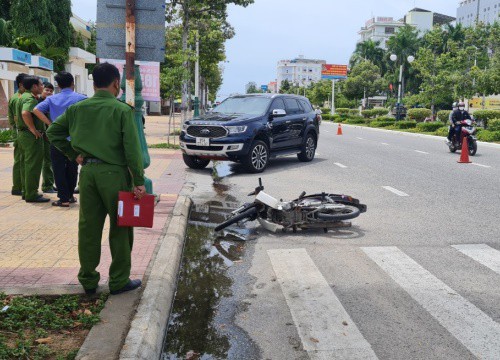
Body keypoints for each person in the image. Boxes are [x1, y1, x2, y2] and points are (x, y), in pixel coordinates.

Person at [47, 63, 146, 295]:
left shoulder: (78, 108)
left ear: (93, 84)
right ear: (115, 84)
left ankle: (89, 280)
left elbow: (53, 133)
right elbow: (132, 149)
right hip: (114, 175)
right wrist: (139, 180)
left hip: (88, 175)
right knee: (121, 228)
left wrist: (74, 154)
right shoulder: (122, 110)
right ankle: (119, 280)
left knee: (89, 228)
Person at [34, 73, 86, 207]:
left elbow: (36, 110)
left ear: (58, 85)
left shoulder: (51, 99)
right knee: (72, 167)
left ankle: (63, 199)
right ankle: (70, 196)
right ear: (72, 83)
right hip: (75, 139)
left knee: (58, 169)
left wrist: (50, 124)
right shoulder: (81, 98)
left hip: (56, 139)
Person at [16, 76, 52, 203]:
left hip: (23, 135)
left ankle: (27, 191)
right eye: (41, 85)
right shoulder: (30, 98)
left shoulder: (22, 96)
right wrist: (33, 129)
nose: (42, 87)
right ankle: (32, 194)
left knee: (26, 164)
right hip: (31, 136)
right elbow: (25, 113)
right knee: (33, 165)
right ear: (35, 86)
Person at [7, 73, 27, 196]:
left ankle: (19, 186)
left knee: (20, 160)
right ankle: (19, 187)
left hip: (17, 132)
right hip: (21, 132)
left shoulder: (16, 96)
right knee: (21, 160)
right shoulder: (18, 98)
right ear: (20, 85)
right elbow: (16, 118)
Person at [38, 82, 56, 194]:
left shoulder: (50, 102)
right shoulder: (39, 103)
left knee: (50, 160)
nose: (49, 92)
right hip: (44, 136)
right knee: (47, 161)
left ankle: (50, 183)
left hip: (50, 135)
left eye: (51, 90)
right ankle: (47, 186)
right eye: (46, 90)